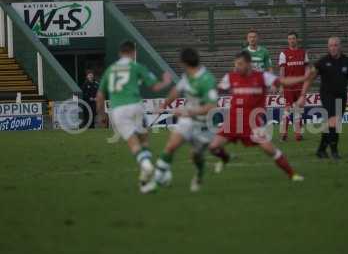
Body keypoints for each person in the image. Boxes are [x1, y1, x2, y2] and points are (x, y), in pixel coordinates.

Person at [209, 51, 307, 182]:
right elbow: (217, 89)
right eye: (235, 64)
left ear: (249, 64)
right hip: (233, 121)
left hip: (252, 122)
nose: (237, 67)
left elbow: (283, 81)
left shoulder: (262, 77)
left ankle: (292, 174)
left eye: (240, 64)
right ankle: (225, 158)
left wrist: (303, 78)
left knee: (270, 149)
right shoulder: (230, 77)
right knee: (213, 147)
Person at [96, 41, 172, 192]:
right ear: (133, 53)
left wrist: (101, 114)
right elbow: (155, 87)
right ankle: (145, 177)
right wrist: (166, 81)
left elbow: (100, 95)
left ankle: (146, 167)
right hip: (136, 106)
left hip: (118, 110)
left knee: (133, 142)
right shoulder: (137, 67)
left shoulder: (110, 70)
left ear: (120, 53)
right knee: (144, 139)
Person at [141, 48, 218, 193]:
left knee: (195, 156)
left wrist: (188, 111)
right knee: (170, 147)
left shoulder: (207, 80)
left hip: (204, 125)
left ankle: (199, 175)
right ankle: (156, 182)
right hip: (187, 122)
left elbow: (211, 106)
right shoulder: (187, 76)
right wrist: (163, 105)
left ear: (184, 63)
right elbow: (176, 92)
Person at [298, 37, 348, 159]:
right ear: (328, 47)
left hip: (341, 96)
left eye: (335, 45)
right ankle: (334, 151)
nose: (333, 48)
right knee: (333, 120)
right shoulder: (322, 62)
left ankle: (321, 150)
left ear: (340, 46)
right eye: (331, 46)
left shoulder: (347, 61)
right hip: (327, 95)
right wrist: (303, 95)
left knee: (334, 123)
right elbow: (309, 79)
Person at [279, 31, 310, 141]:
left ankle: (298, 134)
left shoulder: (303, 53)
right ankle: (284, 133)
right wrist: (281, 86)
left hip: (300, 86)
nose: (292, 40)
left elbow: (307, 69)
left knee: (298, 110)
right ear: (288, 40)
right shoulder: (284, 54)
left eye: (293, 38)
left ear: (297, 39)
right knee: (287, 109)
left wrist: (307, 80)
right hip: (289, 87)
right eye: (290, 39)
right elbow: (282, 70)